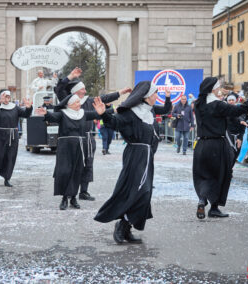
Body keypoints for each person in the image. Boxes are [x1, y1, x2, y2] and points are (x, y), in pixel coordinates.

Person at [93, 81, 158, 244]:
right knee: (139, 191)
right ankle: (122, 225)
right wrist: (103, 114)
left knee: (144, 193)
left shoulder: (149, 113)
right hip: (135, 155)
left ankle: (127, 227)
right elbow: (115, 122)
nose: (157, 96)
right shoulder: (132, 113)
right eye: (155, 93)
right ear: (147, 96)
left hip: (147, 156)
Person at [55, 67, 131, 201]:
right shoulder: (68, 101)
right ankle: (68, 194)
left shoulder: (89, 101)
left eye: (84, 89)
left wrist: (121, 92)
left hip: (89, 138)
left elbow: (105, 97)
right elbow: (59, 89)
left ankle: (83, 191)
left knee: (88, 164)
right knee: (72, 166)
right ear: (74, 91)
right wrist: (71, 76)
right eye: (82, 89)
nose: (85, 91)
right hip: (74, 138)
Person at [193, 77, 248, 220]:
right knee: (221, 175)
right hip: (217, 145)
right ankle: (214, 208)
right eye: (217, 87)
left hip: (201, 145)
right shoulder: (217, 105)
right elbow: (239, 110)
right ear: (213, 89)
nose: (219, 89)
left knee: (204, 175)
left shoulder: (198, 104)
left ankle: (202, 200)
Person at [36, 94, 100, 210]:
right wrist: (46, 114)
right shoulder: (63, 114)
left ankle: (73, 198)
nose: (79, 104)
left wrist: (105, 110)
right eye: (76, 102)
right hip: (65, 147)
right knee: (64, 171)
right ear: (69, 104)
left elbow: (96, 114)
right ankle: (64, 198)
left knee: (77, 171)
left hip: (79, 147)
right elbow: (53, 116)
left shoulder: (83, 113)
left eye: (79, 102)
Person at [0, 90, 32, 187]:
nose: (6, 99)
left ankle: (7, 178)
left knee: (10, 157)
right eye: (4, 96)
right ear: (0, 97)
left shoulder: (15, 107)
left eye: (8, 97)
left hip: (12, 136)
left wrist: (28, 108)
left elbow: (26, 114)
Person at [226, 93, 246, 166]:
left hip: (237, 135)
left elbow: (242, 126)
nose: (231, 101)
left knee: (235, 154)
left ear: (235, 101)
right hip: (227, 135)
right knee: (229, 154)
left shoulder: (239, 110)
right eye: (229, 100)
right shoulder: (224, 111)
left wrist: (240, 138)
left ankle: (230, 169)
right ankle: (227, 171)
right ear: (227, 101)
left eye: (232, 100)